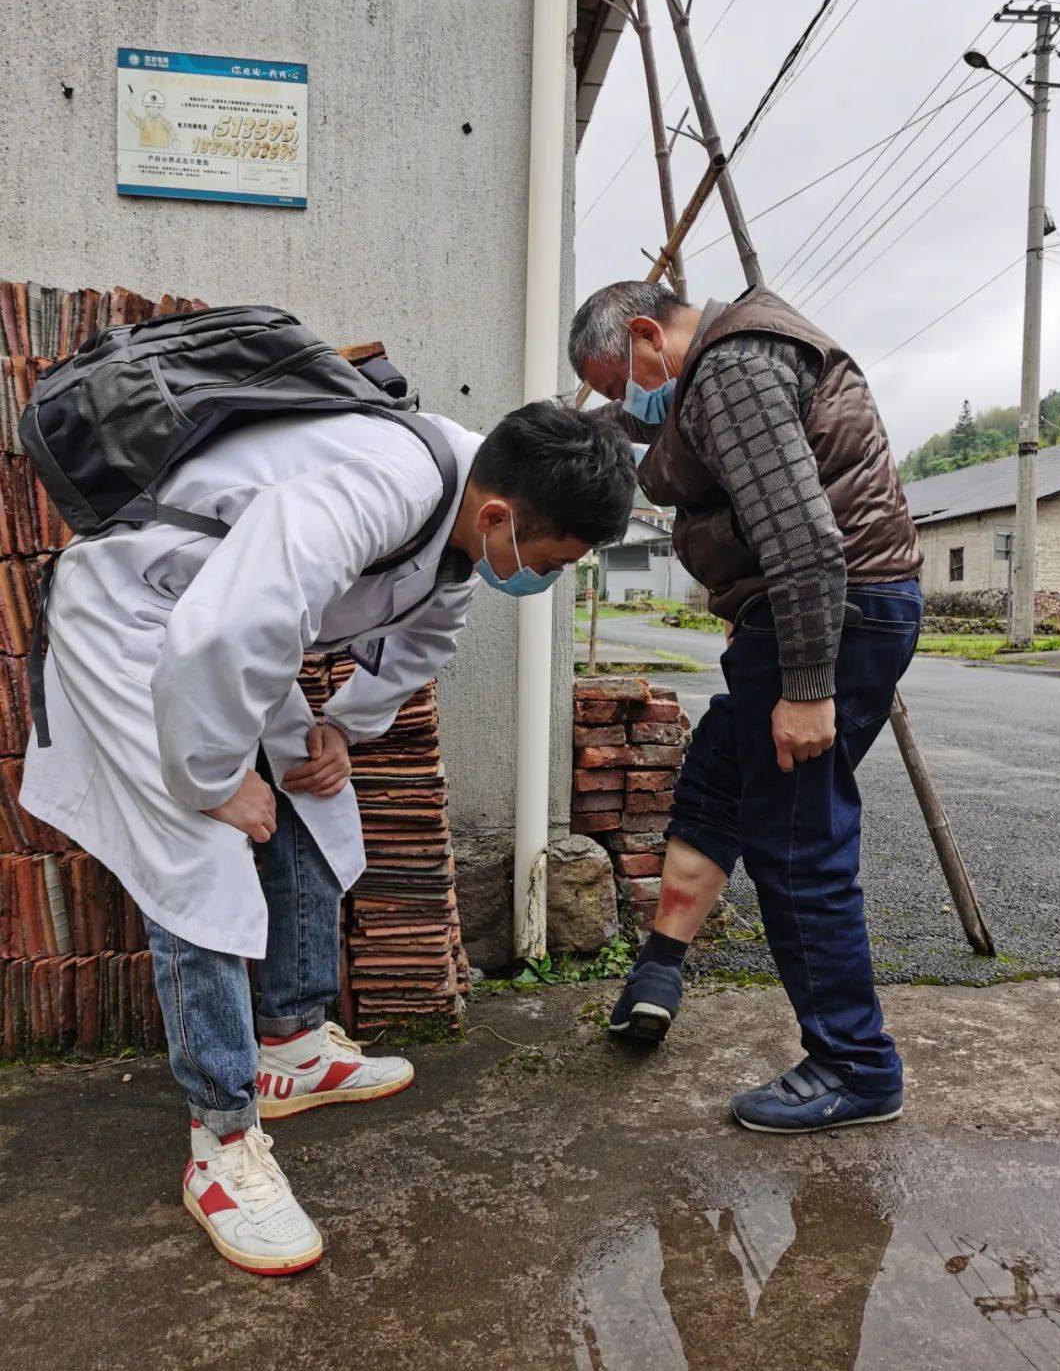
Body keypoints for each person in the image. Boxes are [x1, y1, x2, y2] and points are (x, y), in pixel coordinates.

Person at [21, 398, 634, 1274]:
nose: (545, 576)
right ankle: (224, 1143)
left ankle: (291, 1044)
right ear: (500, 516)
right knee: (195, 858)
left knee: (312, 793)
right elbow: (232, 625)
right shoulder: (387, 480)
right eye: (551, 561)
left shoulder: (466, 514)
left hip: (222, 627)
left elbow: (426, 631)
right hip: (138, 614)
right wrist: (211, 781)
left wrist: (343, 727)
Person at [569, 280, 922, 1135]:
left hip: (828, 619)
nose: (628, 402)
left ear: (650, 336)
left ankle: (854, 1063)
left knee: (798, 843)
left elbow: (802, 538)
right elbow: (668, 447)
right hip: (811, 617)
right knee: (720, 781)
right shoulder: (728, 369)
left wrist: (805, 685)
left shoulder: (730, 371)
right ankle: (660, 966)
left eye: (621, 382)